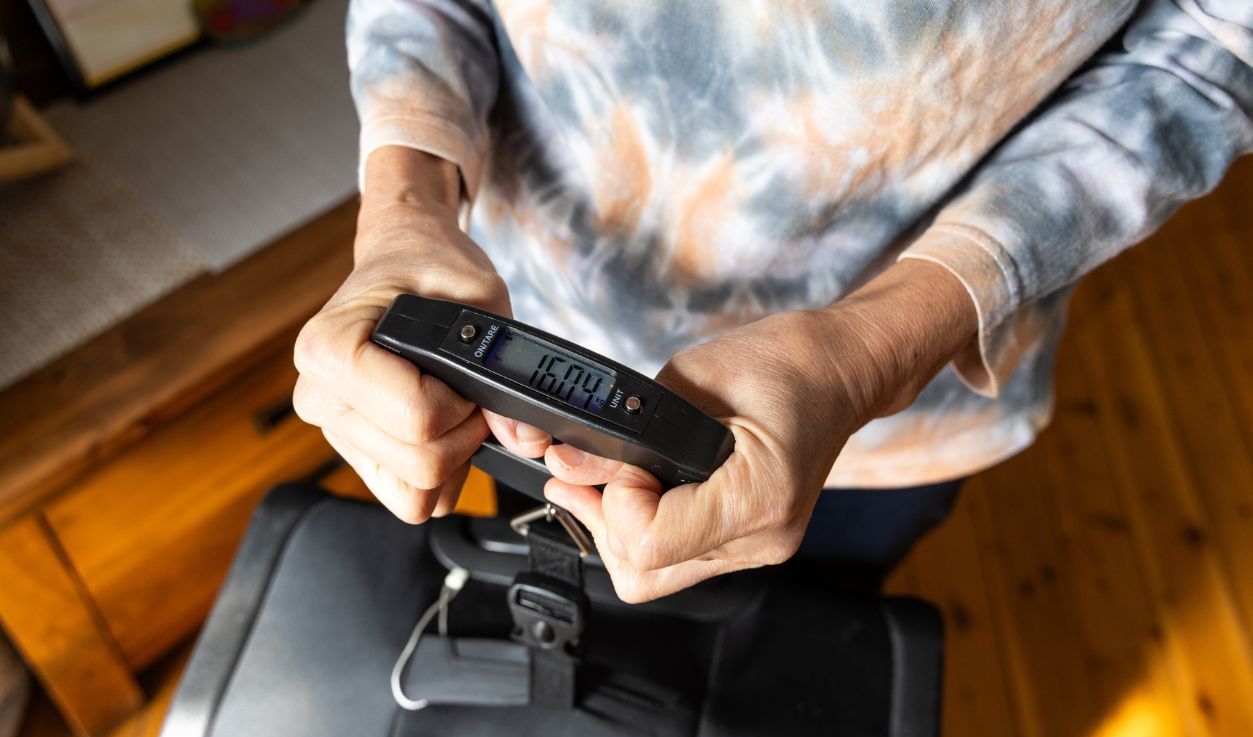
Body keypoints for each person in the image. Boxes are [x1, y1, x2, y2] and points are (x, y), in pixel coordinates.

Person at [294, 0, 1253, 602]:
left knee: (788, 648)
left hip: (883, 401)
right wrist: (405, 208)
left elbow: (1215, 49)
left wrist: (869, 351)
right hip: (515, 340)